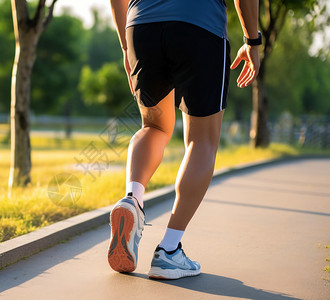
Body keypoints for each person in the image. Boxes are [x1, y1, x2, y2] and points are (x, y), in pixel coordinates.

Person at [107, 0, 261, 279]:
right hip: (200, 26)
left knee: (153, 126)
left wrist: (125, 45)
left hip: (142, 25)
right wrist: (252, 40)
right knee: (202, 140)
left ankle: (133, 199)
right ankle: (168, 251)